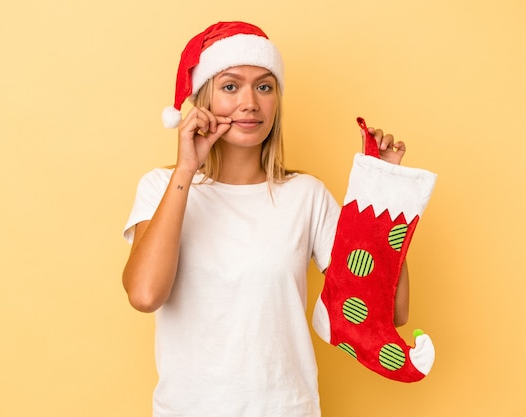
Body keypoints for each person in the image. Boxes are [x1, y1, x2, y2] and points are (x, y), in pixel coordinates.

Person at [122, 21, 409, 417]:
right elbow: (145, 295)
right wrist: (186, 171)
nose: (250, 103)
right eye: (229, 86)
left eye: (264, 86)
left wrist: (384, 196)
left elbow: (387, 311)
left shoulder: (306, 196)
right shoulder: (161, 187)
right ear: (204, 99)